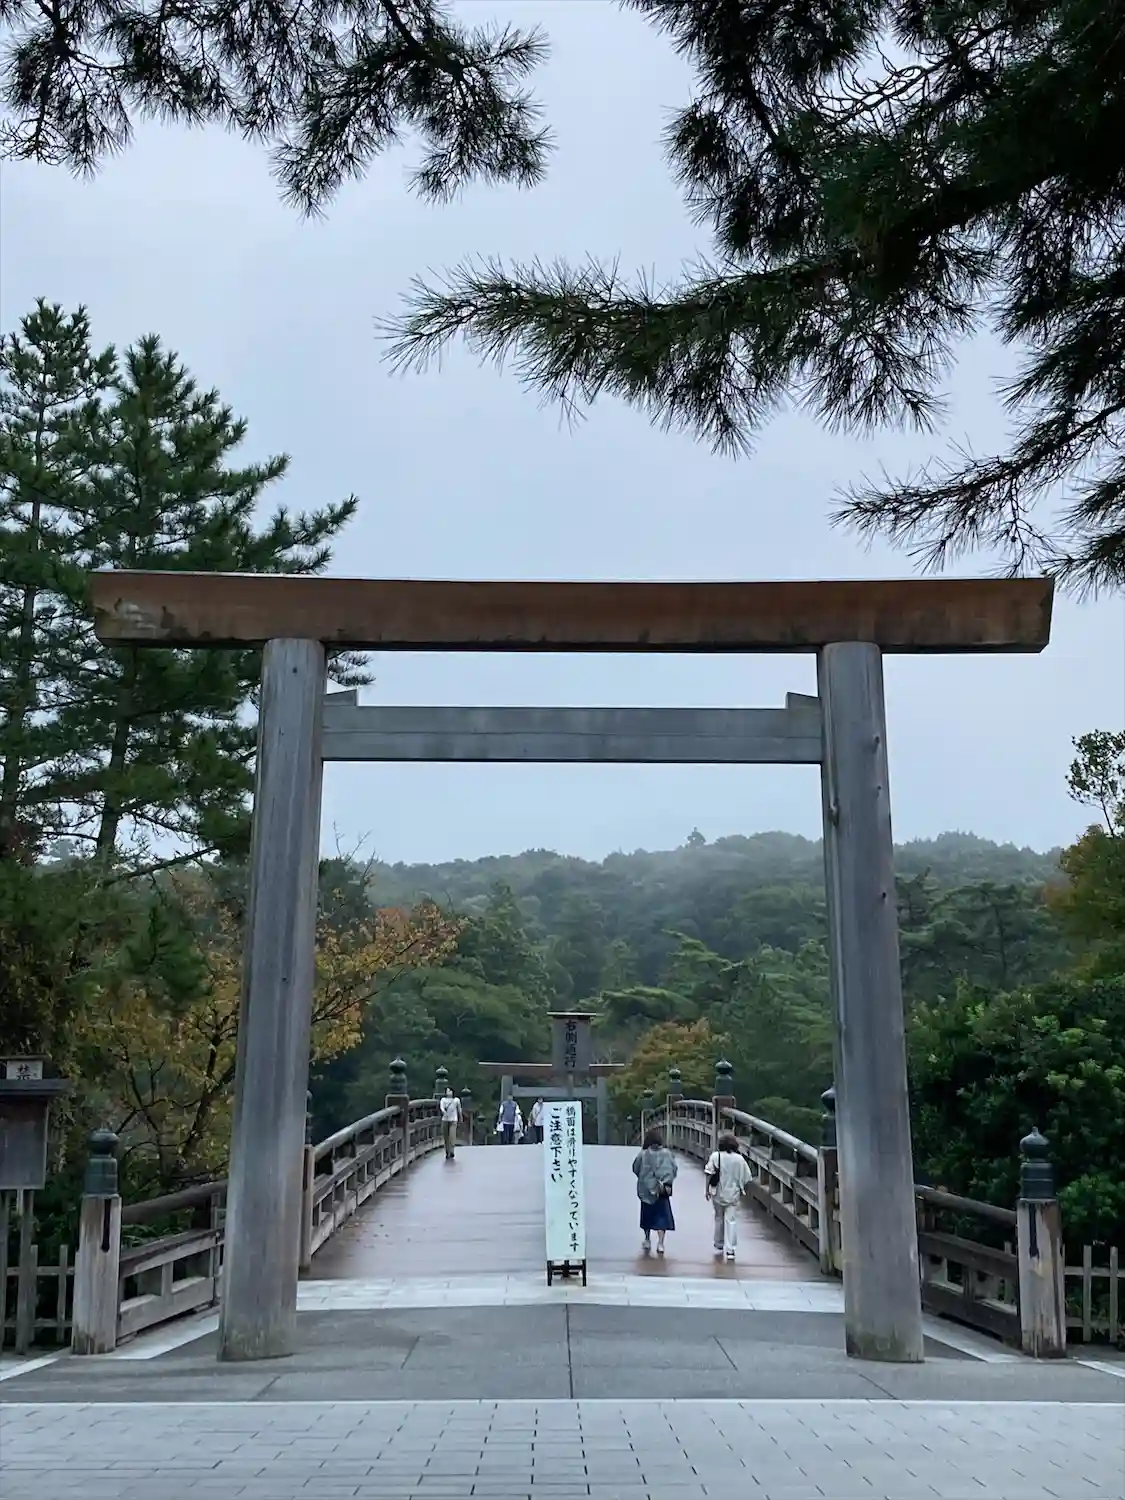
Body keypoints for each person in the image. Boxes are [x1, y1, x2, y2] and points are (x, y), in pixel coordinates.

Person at [705, 1132, 753, 1262]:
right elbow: (747, 1177)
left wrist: (706, 1190)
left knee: (718, 1218)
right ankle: (731, 1249)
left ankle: (719, 1243)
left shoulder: (716, 1156)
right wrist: (742, 1189)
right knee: (731, 1220)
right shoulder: (739, 1159)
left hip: (717, 1192)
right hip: (733, 1193)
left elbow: (709, 1173)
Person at [632, 1125, 678, 1255]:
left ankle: (647, 1239)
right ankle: (661, 1243)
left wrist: (644, 1178)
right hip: (662, 1190)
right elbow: (674, 1169)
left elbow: (635, 1168)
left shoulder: (643, 1154)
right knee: (662, 1216)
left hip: (646, 1190)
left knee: (647, 1215)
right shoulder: (667, 1154)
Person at [439, 1086, 462, 1159]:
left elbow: (459, 1109)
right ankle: (447, 1151)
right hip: (445, 1120)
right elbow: (441, 1107)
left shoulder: (456, 1100)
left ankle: (452, 1150)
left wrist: (461, 1117)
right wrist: (443, 1112)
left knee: (452, 1135)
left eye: (450, 1091)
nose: (448, 1092)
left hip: (453, 1120)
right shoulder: (443, 1100)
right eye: (447, 1091)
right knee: (446, 1137)